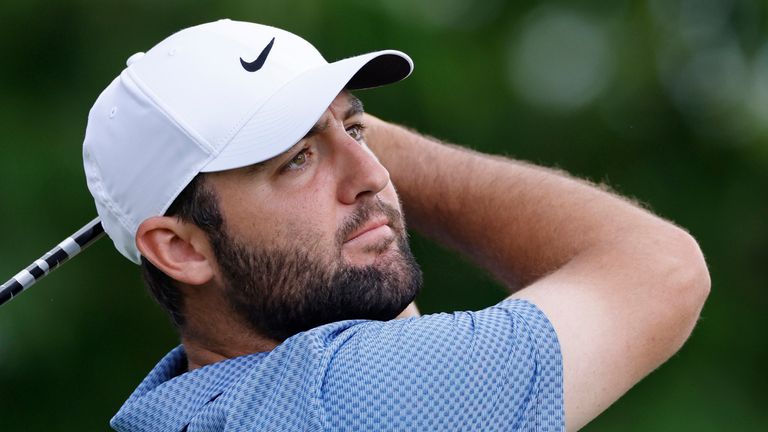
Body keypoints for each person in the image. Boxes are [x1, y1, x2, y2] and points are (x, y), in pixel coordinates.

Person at [83, 19, 710, 431]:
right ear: (180, 249)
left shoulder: (168, 410)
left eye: (356, 130)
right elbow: (662, 268)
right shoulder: (353, 394)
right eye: (296, 159)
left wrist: (317, 139)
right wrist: (400, 147)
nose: (374, 174)